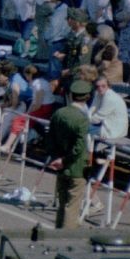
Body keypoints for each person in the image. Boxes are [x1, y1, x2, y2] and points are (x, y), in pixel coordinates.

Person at [48, 80, 93, 228]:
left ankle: (57, 233)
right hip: (76, 167)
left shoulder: (59, 113)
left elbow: (51, 139)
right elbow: (79, 147)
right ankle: (65, 239)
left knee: (62, 204)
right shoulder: (81, 119)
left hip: (60, 164)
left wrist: (56, 158)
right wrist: (65, 160)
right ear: (87, 97)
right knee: (72, 207)